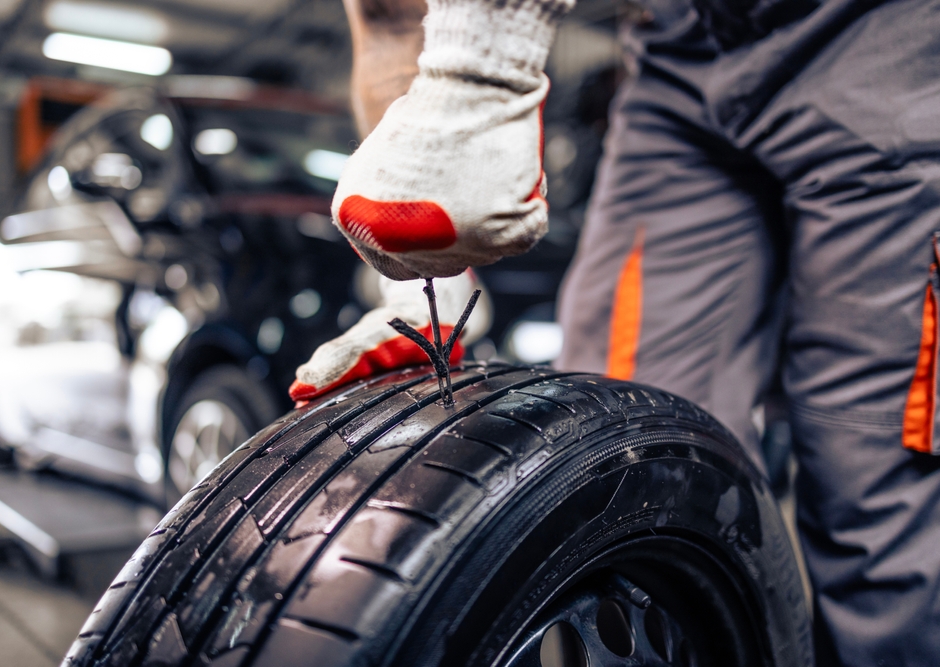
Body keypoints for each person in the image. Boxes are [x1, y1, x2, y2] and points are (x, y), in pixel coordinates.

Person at [292, 0, 940, 665]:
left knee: (874, 513)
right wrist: (426, 282)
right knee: (626, 465)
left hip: (877, 34)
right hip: (679, 55)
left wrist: (488, 62)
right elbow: (393, 16)